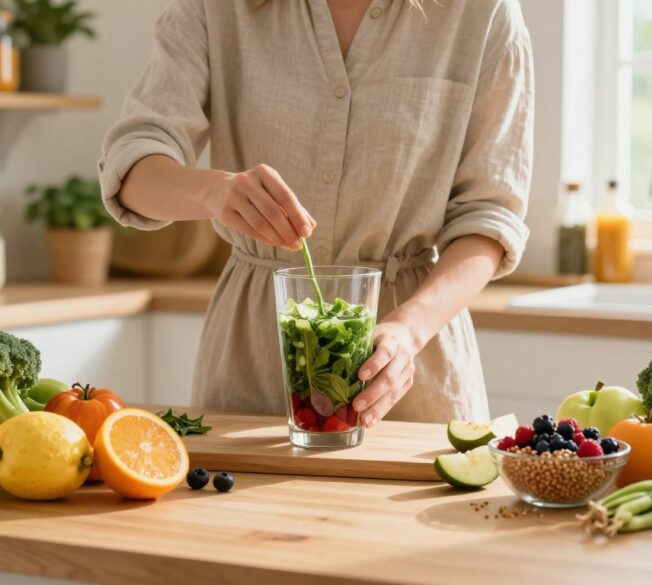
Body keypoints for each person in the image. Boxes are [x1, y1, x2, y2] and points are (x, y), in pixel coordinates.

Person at [98, 0, 534, 426]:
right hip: (250, 369)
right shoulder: (215, 10)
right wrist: (216, 191)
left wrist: (408, 330)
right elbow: (132, 167)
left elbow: (490, 216)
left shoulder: (484, 11)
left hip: (412, 373)